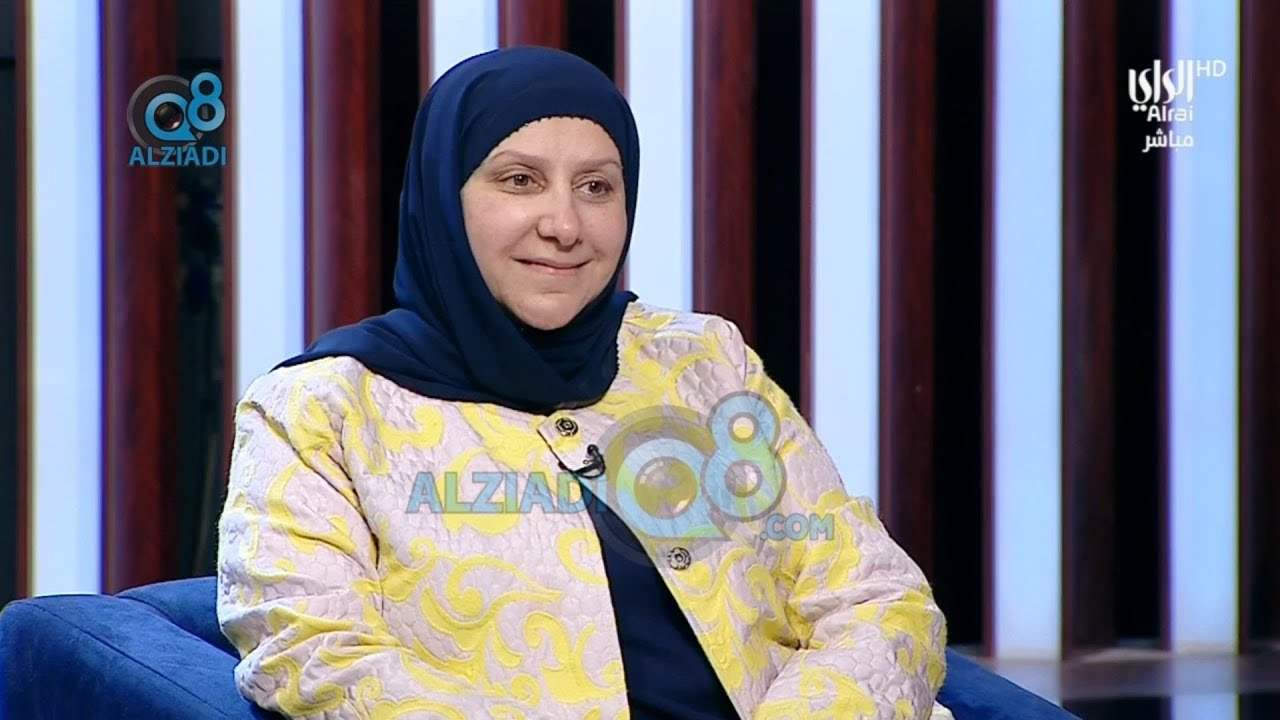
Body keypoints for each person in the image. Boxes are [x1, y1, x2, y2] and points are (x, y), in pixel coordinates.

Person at [216, 46, 952, 720]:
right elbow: (314, 654)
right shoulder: (320, 411)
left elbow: (876, 596)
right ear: (444, 195)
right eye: (520, 180)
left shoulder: (704, 360)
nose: (565, 225)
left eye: (597, 187)